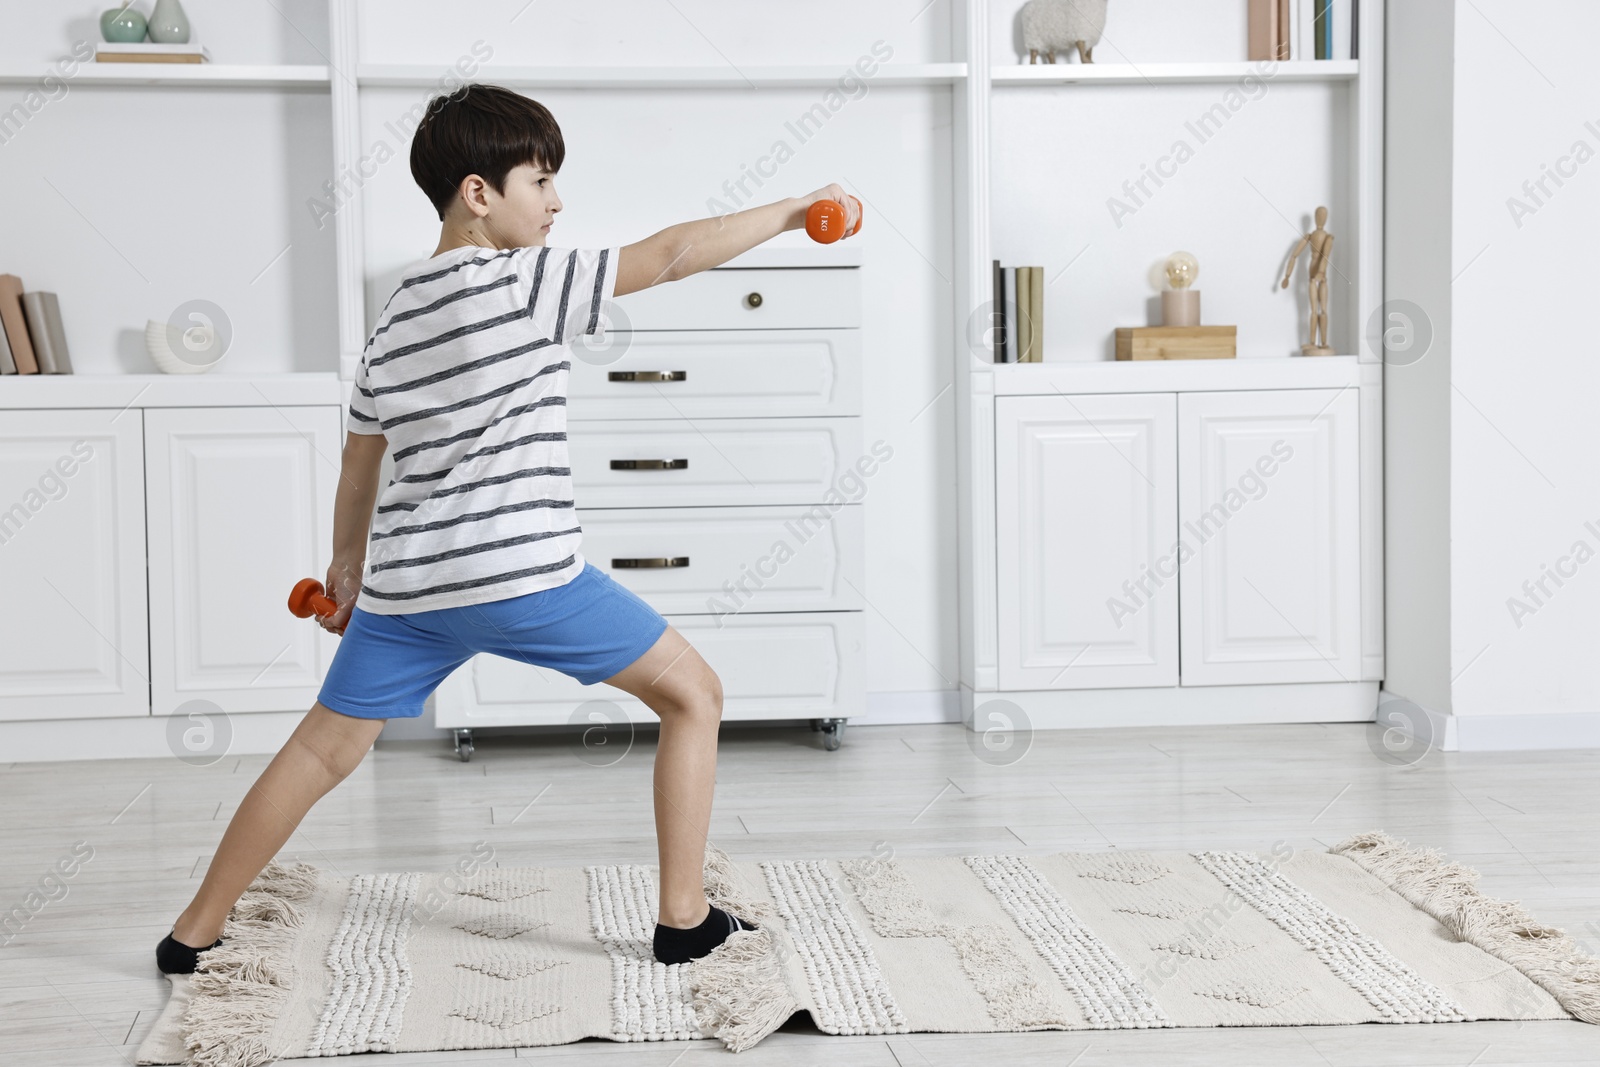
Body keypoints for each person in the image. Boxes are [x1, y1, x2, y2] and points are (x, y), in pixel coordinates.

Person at [155, 82, 858, 974]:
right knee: (696, 695)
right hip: (527, 579)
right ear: (479, 193)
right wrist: (795, 210)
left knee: (320, 748)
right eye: (541, 178)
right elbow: (676, 254)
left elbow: (359, 461)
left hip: (409, 591)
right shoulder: (524, 281)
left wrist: (346, 565)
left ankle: (194, 929)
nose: (557, 201)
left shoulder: (393, 319)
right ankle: (683, 920)